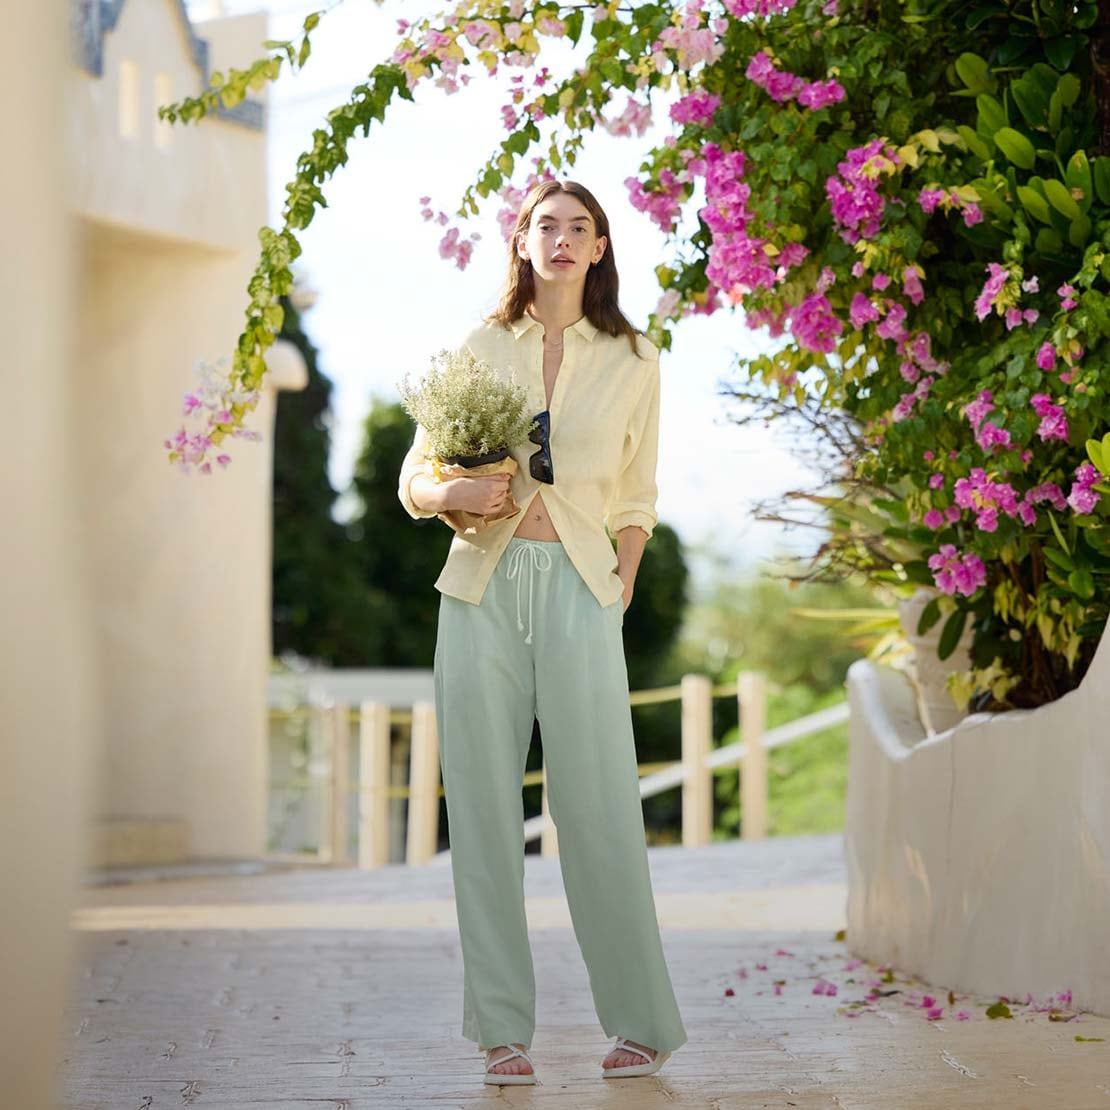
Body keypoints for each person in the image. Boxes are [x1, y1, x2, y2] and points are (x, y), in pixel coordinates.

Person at [397, 179, 687, 1085]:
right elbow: (415, 477)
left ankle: (640, 1020)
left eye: (579, 227)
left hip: (581, 590)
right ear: (521, 242)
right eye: (545, 225)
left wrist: (622, 582)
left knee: (599, 807)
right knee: (483, 809)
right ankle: (500, 1031)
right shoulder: (478, 347)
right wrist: (453, 493)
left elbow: (637, 495)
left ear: (599, 248)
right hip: (479, 591)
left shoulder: (636, 359)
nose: (561, 239)